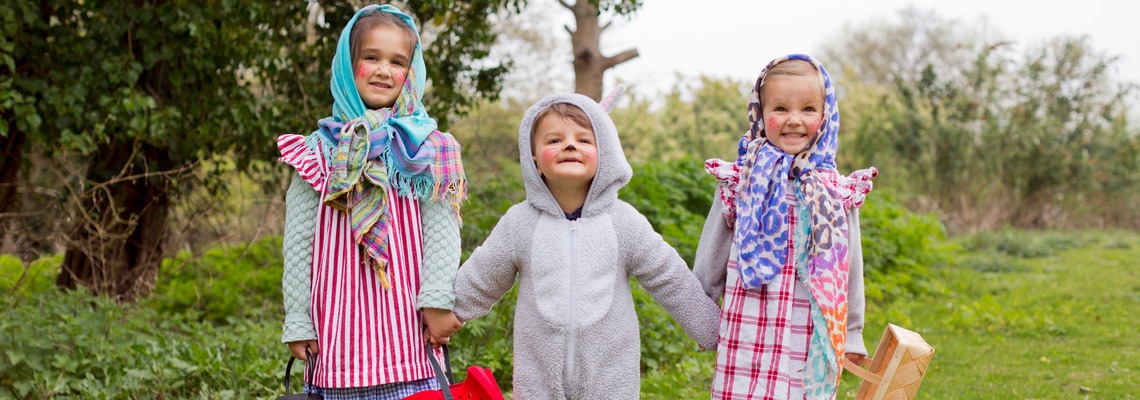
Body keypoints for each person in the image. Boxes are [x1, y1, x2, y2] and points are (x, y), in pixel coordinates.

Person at [448, 88, 722, 399]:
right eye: (554, 140)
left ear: (604, 154)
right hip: (538, 378)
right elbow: (484, 274)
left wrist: (712, 329)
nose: (569, 145)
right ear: (534, 158)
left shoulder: (623, 222)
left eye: (583, 139)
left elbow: (669, 276)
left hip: (610, 377)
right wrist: (446, 312)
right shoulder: (520, 223)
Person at [276, 5, 466, 398]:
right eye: (371, 57)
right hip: (337, 341)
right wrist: (297, 319)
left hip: (407, 338)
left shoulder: (426, 149)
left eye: (397, 62)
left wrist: (436, 301)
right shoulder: (317, 153)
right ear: (348, 66)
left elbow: (443, 234)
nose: (384, 70)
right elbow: (297, 244)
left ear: (411, 74)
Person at [693, 54, 878, 400]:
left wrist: (852, 332)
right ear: (760, 114)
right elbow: (712, 251)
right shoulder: (741, 181)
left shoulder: (835, 190)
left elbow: (848, 266)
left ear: (826, 116)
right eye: (780, 108)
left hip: (808, 328)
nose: (795, 120)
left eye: (808, 109)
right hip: (748, 326)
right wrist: (703, 318)